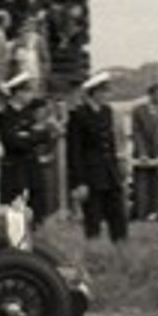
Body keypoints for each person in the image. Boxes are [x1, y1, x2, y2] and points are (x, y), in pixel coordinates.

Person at [67, 71, 127, 243]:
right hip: (91, 174)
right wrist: (78, 181)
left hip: (109, 171)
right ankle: (94, 252)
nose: (107, 95)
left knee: (118, 214)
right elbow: (75, 151)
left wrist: (118, 166)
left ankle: (121, 246)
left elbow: (111, 143)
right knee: (93, 217)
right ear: (95, 93)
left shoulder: (107, 112)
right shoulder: (79, 115)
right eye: (104, 91)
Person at [0, 73, 54, 217]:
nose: (30, 95)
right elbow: (13, 142)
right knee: (16, 212)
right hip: (15, 171)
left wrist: (29, 136)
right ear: (17, 92)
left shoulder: (28, 114)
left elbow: (45, 136)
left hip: (32, 168)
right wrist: (33, 136)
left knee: (37, 209)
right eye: (27, 91)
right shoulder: (4, 116)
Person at [130, 82, 158, 220]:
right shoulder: (139, 111)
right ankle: (141, 214)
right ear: (151, 95)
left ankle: (155, 214)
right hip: (143, 155)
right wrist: (142, 153)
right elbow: (137, 133)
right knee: (141, 185)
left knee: (157, 185)